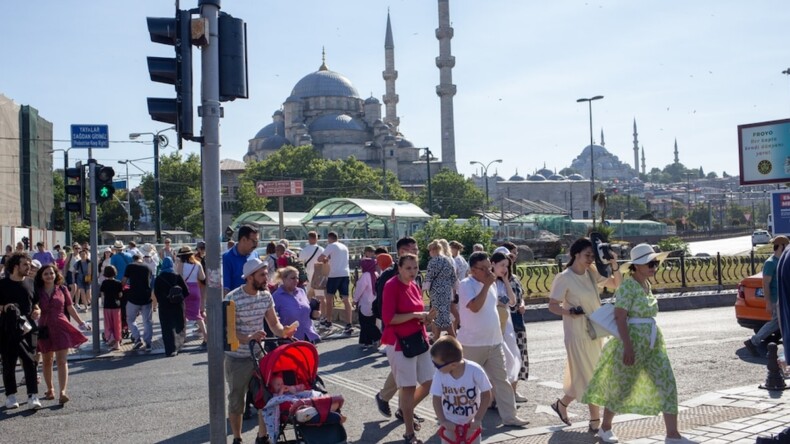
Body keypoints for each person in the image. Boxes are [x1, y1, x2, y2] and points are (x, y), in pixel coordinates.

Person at [582, 243, 696, 444]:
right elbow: (619, 317)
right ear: (637, 266)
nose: (654, 266)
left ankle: (672, 434)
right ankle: (605, 427)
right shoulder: (628, 286)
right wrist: (628, 346)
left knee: (667, 383)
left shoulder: (646, 285)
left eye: (655, 262)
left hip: (653, 344)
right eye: (650, 263)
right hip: (632, 344)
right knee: (622, 387)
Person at [547, 237, 621, 433]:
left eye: (592, 255)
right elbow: (552, 306)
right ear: (576, 254)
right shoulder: (564, 277)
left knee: (587, 374)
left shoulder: (591, 272)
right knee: (591, 375)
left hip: (596, 331)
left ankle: (562, 404)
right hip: (577, 334)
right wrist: (569, 312)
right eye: (587, 255)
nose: (590, 259)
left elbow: (616, 284)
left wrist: (614, 264)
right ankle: (595, 419)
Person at [225, 258, 297, 444]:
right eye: (262, 275)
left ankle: (262, 436)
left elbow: (273, 323)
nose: (267, 278)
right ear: (250, 277)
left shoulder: (266, 296)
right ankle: (237, 438)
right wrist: (249, 337)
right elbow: (229, 331)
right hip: (237, 358)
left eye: (266, 274)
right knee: (236, 400)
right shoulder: (232, 298)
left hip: (258, 355)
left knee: (265, 398)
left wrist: (284, 331)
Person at [457, 251, 529, 427]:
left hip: (494, 342)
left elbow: (498, 306)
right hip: (472, 344)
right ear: (473, 270)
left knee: (502, 381)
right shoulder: (466, 284)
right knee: (467, 383)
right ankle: (462, 419)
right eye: (483, 269)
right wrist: (486, 285)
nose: (489, 272)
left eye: (489, 268)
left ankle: (510, 416)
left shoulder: (492, 284)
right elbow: (474, 307)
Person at [381, 253, 436, 444]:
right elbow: (389, 319)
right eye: (408, 268)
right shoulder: (391, 286)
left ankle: (406, 410)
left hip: (418, 339)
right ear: (399, 268)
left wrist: (426, 317)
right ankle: (409, 432)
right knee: (408, 386)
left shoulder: (414, 285)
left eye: (415, 268)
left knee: (430, 382)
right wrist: (415, 315)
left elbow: (416, 314)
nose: (413, 272)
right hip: (398, 343)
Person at [374, 237, 420, 421]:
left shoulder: (414, 274)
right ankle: (402, 407)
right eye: (412, 250)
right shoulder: (388, 277)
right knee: (404, 373)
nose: (416, 253)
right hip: (395, 333)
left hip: (414, 331)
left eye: (417, 250)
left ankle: (399, 405)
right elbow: (381, 306)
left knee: (405, 373)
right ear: (401, 252)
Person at [34, 264, 90, 405]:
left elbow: (70, 308)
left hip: (61, 326)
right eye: (46, 274)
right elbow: (32, 307)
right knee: (47, 360)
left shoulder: (63, 289)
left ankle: (63, 391)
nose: (49, 276)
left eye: (51, 273)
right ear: (41, 276)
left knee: (61, 360)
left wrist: (81, 322)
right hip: (44, 328)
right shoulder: (37, 291)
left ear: (56, 274)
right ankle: (50, 389)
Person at [430, 336, 492, 444]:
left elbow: (486, 394)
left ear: (453, 365)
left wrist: (478, 419)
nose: (435, 367)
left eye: (437, 365)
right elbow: (436, 399)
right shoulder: (440, 374)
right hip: (450, 421)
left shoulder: (475, 370)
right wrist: (443, 421)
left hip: (471, 422)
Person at [0, 253, 40, 409]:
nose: (28, 267)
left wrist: (38, 311)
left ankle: (33, 396)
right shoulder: (2, 284)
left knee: (30, 361)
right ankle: (11, 396)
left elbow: (36, 304)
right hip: (8, 328)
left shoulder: (31, 283)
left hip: (29, 328)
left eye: (29, 264)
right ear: (16, 266)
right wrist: (6, 307)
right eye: (25, 264)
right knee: (8, 362)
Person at [744, 235, 789, 357]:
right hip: (776, 299)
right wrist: (768, 302)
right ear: (781, 246)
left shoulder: (781, 260)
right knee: (776, 323)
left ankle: (753, 342)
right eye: (786, 246)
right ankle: (753, 342)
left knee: (779, 324)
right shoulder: (770, 263)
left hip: (782, 298)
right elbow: (765, 284)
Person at [491, 252, 524, 401]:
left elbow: (512, 302)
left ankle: (508, 393)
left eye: (507, 266)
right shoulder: (488, 282)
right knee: (498, 360)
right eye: (502, 265)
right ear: (493, 264)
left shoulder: (504, 282)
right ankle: (495, 396)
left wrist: (505, 281)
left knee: (512, 357)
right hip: (494, 324)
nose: (505, 269)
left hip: (507, 324)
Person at [271, 266, 320, 343]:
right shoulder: (276, 296)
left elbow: (306, 311)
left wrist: (314, 315)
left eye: (297, 278)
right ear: (284, 279)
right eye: (293, 278)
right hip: (290, 340)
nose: (296, 281)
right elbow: (272, 320)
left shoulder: (301, 292)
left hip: (309, 336)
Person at [319, 231, 353, 335]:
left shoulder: (331, 246)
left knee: (329, 298)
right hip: (345, 273)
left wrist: (325, 259)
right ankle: (349, 323)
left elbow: (320, 258)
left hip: (334, 275)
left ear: (330, 238)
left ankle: (329, 321)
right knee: (346, 299)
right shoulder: (344, 247)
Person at [154, 257, 189, 357]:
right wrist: (179, 298)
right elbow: (186, 291)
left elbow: (156, 293)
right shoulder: (177, 276)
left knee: (166, 328)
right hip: (178, 305)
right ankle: (178, 346)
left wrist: (164, 300)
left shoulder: (159, 278)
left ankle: (169, 349)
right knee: (179, 324)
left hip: (164, 306)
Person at [424, 239, 457, 339]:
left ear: (433, 250)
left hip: (436, 291)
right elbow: (453, 277)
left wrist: (424, 290)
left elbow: (429, 277)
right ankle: (437, 338)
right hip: (447, 290)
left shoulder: (433, 261)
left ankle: (446, 338)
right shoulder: (447, 260)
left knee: (437, 313)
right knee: (444, 313)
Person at [177, 246, 208, 347]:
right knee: (197, 314)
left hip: (184, 289)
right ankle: (206, 336)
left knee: (183, 315)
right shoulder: (197, 264)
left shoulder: (181, 264)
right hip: (195, 289)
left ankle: (184, 337)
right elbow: (202, 277)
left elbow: (178, 276)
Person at [122, 255, 154, 351]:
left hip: (133, 297)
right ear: (141, 259)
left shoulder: (130, 266)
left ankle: (137, 339)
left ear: (133, 259)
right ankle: (148, 343)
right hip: (146, 297)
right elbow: (150, 282)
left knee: (130, 319)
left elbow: (124, 281)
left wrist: (121, 288)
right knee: (147, 321)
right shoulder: (148, 267)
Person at [352, 257, 381, 349]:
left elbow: (359, 289)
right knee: (371, 321)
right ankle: (366, 341)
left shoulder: (365, 275)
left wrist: (355, 300)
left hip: (365, 303)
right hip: (374, 302)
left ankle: (377, 337)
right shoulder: (375, 274)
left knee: (365, 323)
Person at [222, 225, 259, 295]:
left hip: (255, 301)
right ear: (243, 239)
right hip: (236, 303)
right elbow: (226, 289)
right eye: (254, 241)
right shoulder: (227, 258)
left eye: (257, 241)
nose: (256, 245)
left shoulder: (255, 254)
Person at [298, 231, 324, 319]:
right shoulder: (322, 250)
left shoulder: (305, 250)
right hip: (319, 276)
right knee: (320, 297)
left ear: (309, 238)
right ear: (317, 238)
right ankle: (321, 316)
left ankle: (308, 315)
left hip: (308, 276)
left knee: (308, 297)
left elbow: (300, 263)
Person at [99, 265, 123, 351]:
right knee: (117, 324)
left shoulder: (104, 283)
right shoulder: (118, 283)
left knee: (108, 323)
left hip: (107, 306)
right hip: (116, 306)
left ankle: (110, 337)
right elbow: (120, 295)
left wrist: (102, 303)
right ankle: (117, 343)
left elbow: (102, 295)